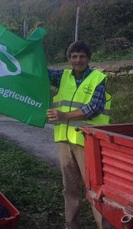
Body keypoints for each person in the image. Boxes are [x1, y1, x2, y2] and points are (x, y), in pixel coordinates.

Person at [46, 40, 112, 229]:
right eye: (74, 56)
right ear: (69, 59)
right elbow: (39, 73)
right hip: (64, 142)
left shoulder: (98, 78)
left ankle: (104, 226)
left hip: (89, 143)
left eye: (82, 56)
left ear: (88, 58)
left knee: (96, 190)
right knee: (70, 189)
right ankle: (71, 225)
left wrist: (64, 115)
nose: (78, 60)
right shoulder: (63, 76)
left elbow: (94, 108)